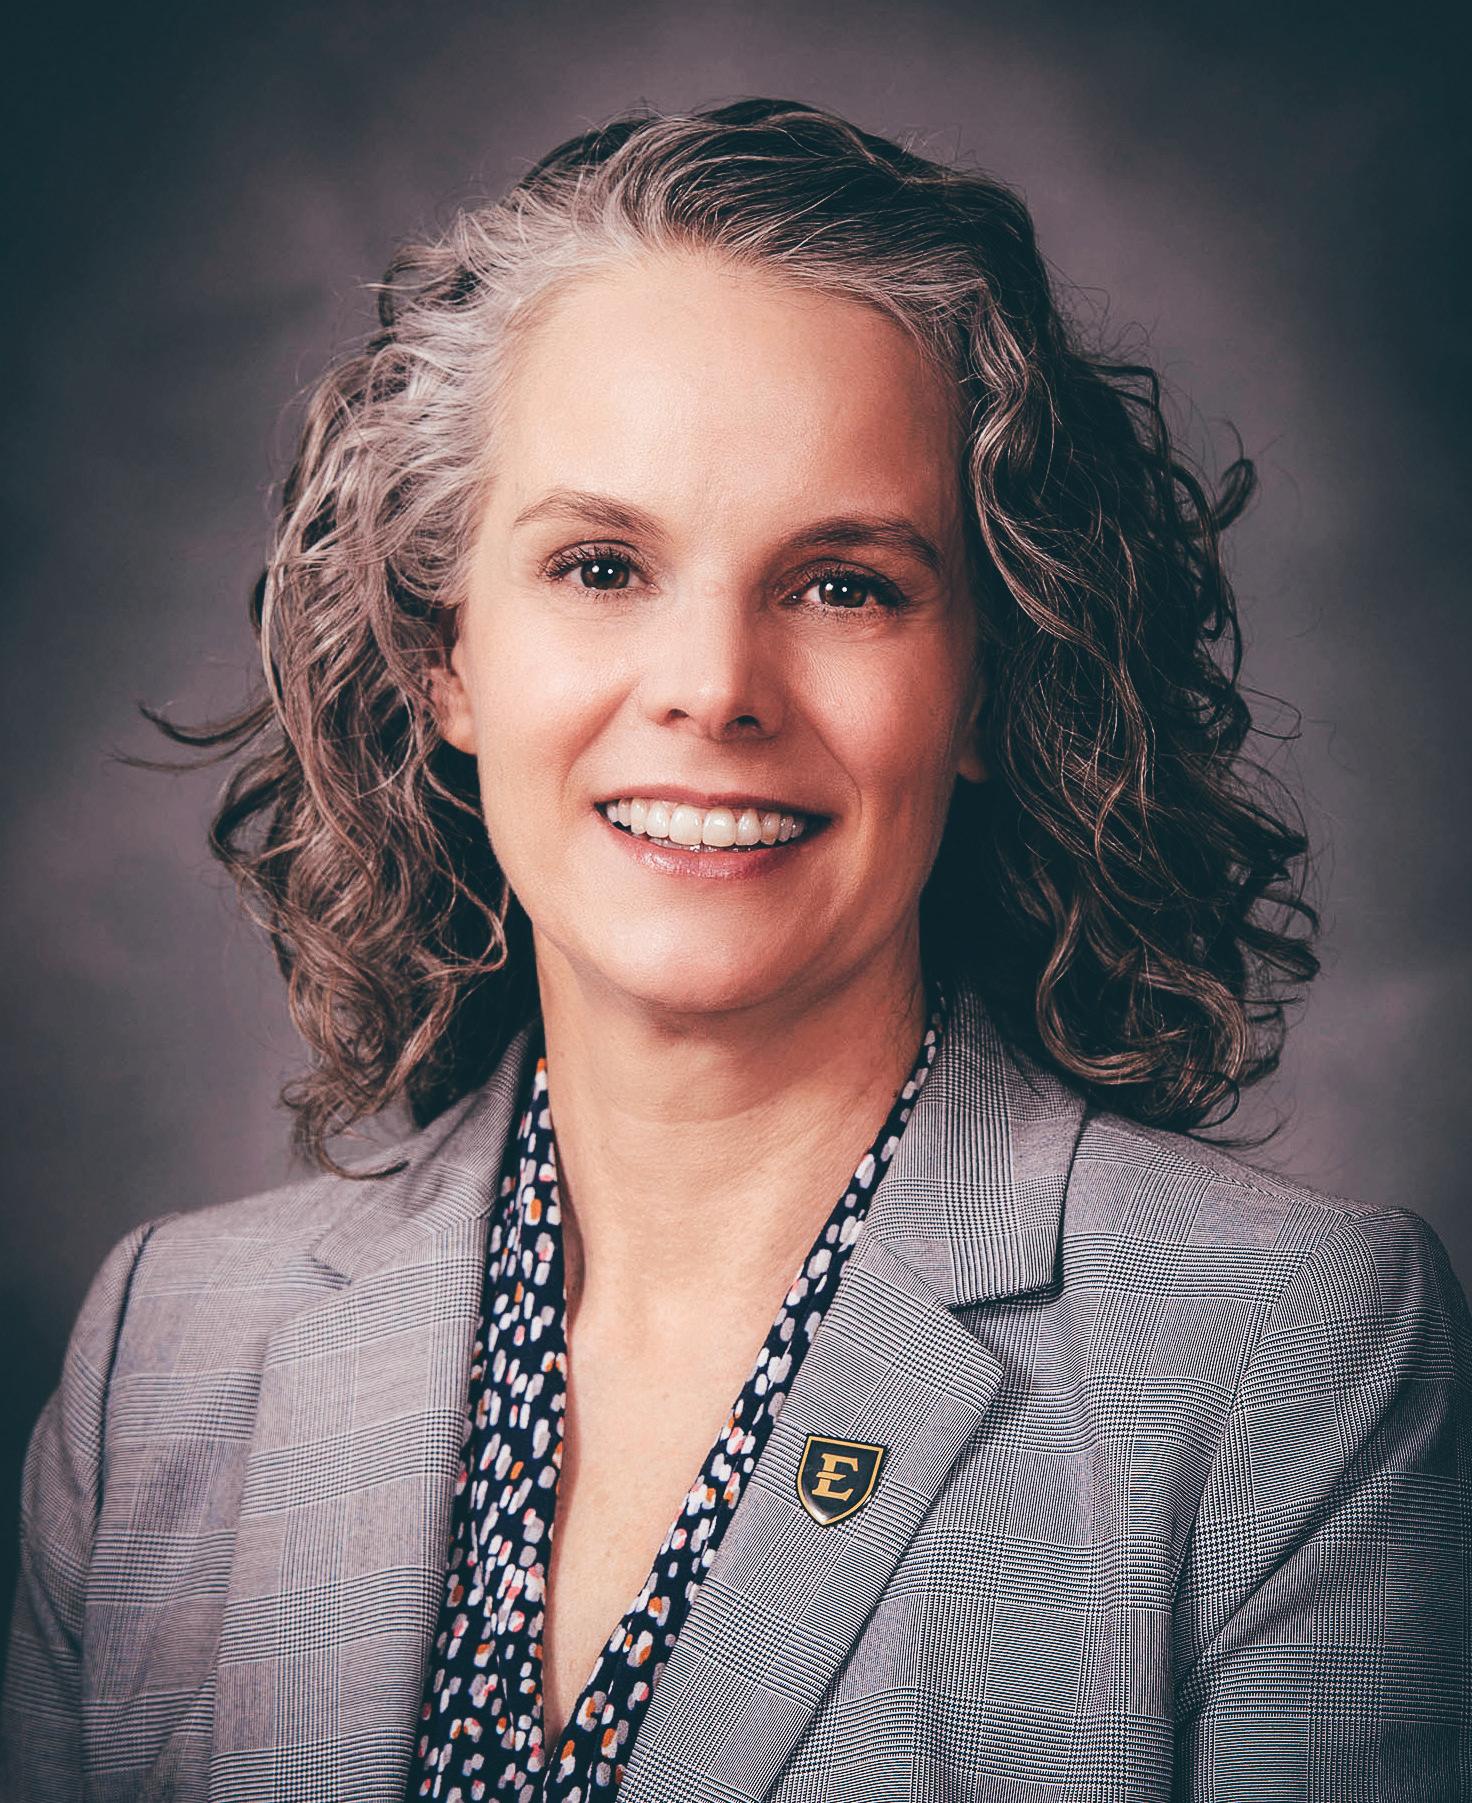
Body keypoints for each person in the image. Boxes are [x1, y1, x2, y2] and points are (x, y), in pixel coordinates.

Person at [3, 97, 1468, 1803]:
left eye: (845, 584)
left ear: (989, 679)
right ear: (443, 657)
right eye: (600, 565)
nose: (714, 687)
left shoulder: (1289, 1355)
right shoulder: (166, 1355)